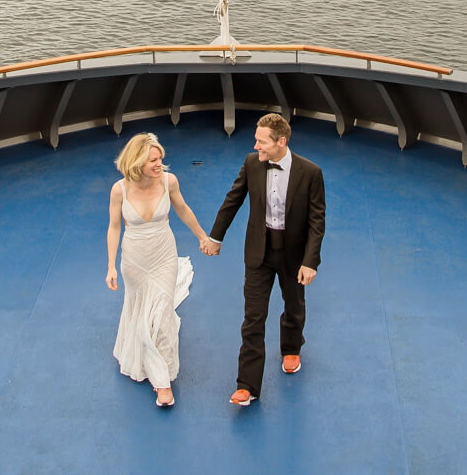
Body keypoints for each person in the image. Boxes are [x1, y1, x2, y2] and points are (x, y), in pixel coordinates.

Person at [202, 112, 325, 406]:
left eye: (262, 142)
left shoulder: (310, 172)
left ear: (281, 142)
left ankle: (291, 347)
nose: (256, 146)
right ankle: (247, 385)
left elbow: (316, 221)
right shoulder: (251, 164)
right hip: (259, 250)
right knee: (253, 318)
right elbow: (232, 200)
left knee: (294, 306)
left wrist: (310, 262)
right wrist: (215, 238)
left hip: (294, 254)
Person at [107, 132, 210, 407]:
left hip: (164, 256)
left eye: (160, 158)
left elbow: (184, 210)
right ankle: (153, 367)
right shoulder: (120, 189)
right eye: (153, 159)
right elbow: (114, 226)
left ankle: (162, 383)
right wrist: (110, 266)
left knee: (163, 312)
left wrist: (202, 236)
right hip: (135, 260)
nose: (159, 164)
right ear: (136, 160)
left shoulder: (169, 181)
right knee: (142, 311)